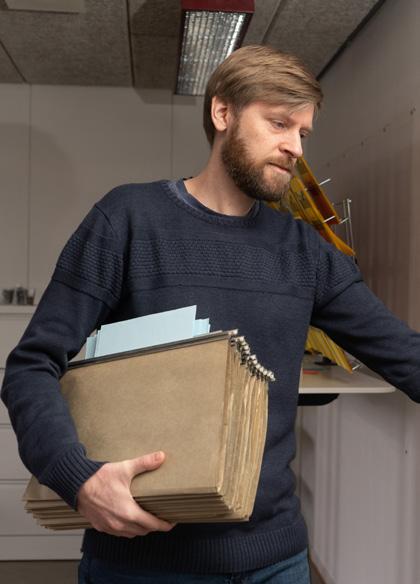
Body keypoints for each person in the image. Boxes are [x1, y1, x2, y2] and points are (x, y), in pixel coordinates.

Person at [2, 45, 420, 584]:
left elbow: (404, 354)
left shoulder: (306, 252)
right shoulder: (128, 220)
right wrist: (77, 477)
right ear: (223, 113)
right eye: (279, 124)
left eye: (303, 133)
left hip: (276, 561)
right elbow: (31, 366)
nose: (295, 148)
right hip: (142, 563)